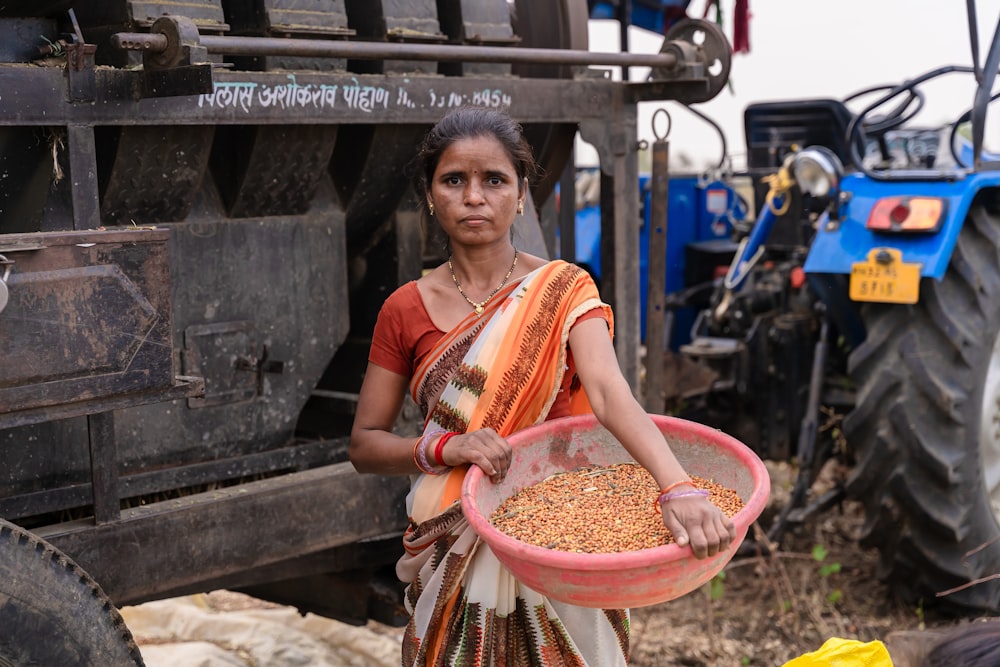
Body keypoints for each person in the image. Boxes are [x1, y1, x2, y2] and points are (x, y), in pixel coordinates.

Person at [349, 105, 736, 666]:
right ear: (431, 196)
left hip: (559, 537)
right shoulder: (404, 309)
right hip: (452, 534)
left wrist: (677, 486)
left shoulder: (563, 289)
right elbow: (364, 444)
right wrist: (444, 447)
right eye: (454, 180)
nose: (474, 196)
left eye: (494, 180)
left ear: (521, 193)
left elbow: (608, 393)